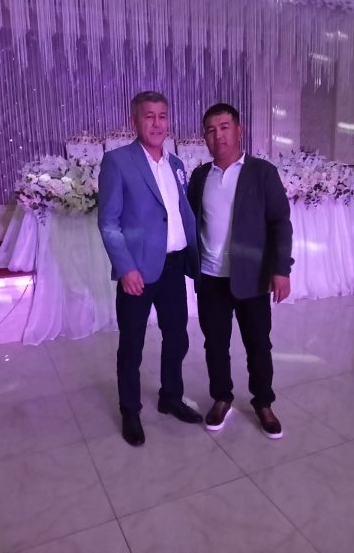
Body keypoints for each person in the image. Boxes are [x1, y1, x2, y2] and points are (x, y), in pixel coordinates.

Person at [98, 91, 202, 447]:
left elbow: (180, 211)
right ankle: (130, 410)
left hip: (173, 266)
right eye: (149, 116)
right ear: (135, 121)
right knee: (132, 344)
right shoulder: (117, 162)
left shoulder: (176, 164)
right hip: (138, 271)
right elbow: (109, 222)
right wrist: (125, 267)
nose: (157, 124)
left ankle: (171, 396)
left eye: (162, 116)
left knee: (177, 337)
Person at [188, 103, 293, 439]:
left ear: (238, 130)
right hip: (211, 278)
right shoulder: (200, 177)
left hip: (252, 277)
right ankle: (222, 397)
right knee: (215, 344)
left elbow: (280, 223)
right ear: (205, 136)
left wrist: (281, 269)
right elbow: (191, 222)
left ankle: (263, 402)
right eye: (210, 129)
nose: (218, 135)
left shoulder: (262, 172)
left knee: (258, 343)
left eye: (224, 127)